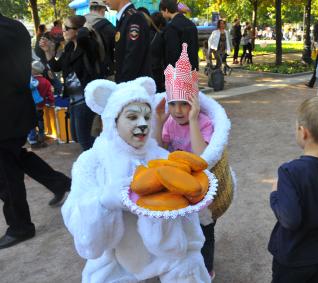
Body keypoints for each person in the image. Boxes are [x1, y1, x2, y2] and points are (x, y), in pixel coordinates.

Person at [61, 76, 210, 282]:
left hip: (166, 250)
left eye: (147, 118)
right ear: (113, 120)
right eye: (132, 117)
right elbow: (75, 216)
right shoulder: (92, 161)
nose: (143, 124)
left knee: (188, 268)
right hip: (116, 257)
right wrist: (104, 201)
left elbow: (186, 216)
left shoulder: (160, 157)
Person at [155, 43, 235, 279]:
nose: (178, 110)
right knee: (183, 229)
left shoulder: (203, 122)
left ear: (195, 103)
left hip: (202, 188)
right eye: (173, 104)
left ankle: (207, 268)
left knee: (205, 230)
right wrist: (160, 121)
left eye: (185, 104)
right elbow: (160, 150)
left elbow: (203, 158)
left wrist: (192, 120)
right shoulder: (169, 122)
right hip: (181, 186)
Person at [0, 14, 71, 249]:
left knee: (6, 173)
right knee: (16, 156)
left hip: (5, 113)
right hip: (19, 106)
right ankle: (60, 183)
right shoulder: (17, 27)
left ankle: (20, 226)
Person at [268, 95, 318, 283]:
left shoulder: (289, 171)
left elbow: (290, 220)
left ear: (303, 132)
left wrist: (274, 194)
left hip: (292, 256)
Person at [40, 15, 100, 151]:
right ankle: (104, 146)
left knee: (84, 140)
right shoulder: (68, 48)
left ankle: (105, 153)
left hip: (85, 99)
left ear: (78, 31)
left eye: (67, 28)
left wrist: (83, 28)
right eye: (63, 28)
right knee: (76, 136)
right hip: (73, 100)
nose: (63, 31)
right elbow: (56, 67)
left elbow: (84, 37)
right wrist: (48, 51)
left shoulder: (88, 45)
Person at [105, 0, 151, 83]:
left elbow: (133, 55)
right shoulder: (125, 17)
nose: (104, 1)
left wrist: (124, 84)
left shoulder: (134, 17)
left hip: (133, 85)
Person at [160, 0, 199, 70]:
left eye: (162, 12)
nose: (162, 14)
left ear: (166, 10)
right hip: (192, 68)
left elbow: (172, 52)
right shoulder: (192, 24)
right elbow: (196, 46)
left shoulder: (172, 27)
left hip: (178, 72)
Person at [84, 0, 116, 79]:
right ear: (102, 10)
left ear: (90, 9)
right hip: (104, 71)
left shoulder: (80, 23)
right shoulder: (107, 26)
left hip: (84, 73)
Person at [28, 61, 55, 149]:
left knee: (31, 123)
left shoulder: (30, 81)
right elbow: (50, 94)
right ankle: (41, 139)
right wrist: (51, 102)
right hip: (40, 106)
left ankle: (33, 141)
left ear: (34, 70)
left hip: (30, 106)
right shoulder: (46, 82)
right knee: (40, 122)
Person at [150, 11, 167, 93]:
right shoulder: (162, 37)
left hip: (146, 72)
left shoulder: (143, 34)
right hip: (158, 72)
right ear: (160, 24)